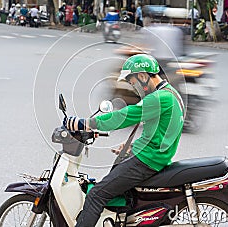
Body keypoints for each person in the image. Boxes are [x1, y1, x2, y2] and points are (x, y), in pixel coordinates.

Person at [64, 54, 185, 227]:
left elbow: (123, 117)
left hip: (148, 161)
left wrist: (86, 123)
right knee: (113, 186)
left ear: (143, 76)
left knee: (97, 194)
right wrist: (132, 147)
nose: (133, 87)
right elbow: (161, 133)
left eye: (132, 82)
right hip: (154, 156)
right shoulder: (170, 94)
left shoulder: (158, 99)